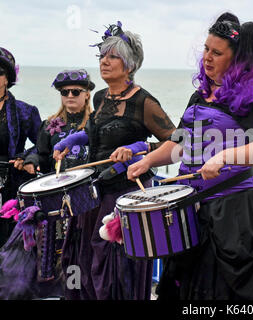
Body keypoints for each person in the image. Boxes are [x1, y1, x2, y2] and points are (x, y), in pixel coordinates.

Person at [127, 12, 253, 300]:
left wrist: (225, 157)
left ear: (236, 58)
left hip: (237, 214)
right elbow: (179, 145)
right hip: (194, 212)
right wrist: (148, 161)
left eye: (217, 52)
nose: (207, 58)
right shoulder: (200, 95)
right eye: (206, 49)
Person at [53, 21, 176, 299]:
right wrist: (71, 140)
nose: (104, 62)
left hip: (124, 196)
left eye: (112, 56)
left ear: (129, 65)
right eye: (102, 56)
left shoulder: (144, 102)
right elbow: (98, 133)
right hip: (94, 194)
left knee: (114, 271)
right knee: (84, 265)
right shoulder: (100, 97)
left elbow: (177, 142)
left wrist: (140, 147)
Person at [0, 69, 95, 300]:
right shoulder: (50, 126)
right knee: (60, 259)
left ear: (87, 95)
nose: (69, 96)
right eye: (64, 92)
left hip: (87, 204)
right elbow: (41, 154)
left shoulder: (96, 125)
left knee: (84, 255)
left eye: (75, 91)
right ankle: (65, 295)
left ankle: (80, 294)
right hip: (57, 206)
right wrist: (31, 161)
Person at [0, 47, 41, 247]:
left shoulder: (25, 111)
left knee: (7, 244)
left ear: (7, 78)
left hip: (9, 185)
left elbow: (41, 145)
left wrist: (25, 158)